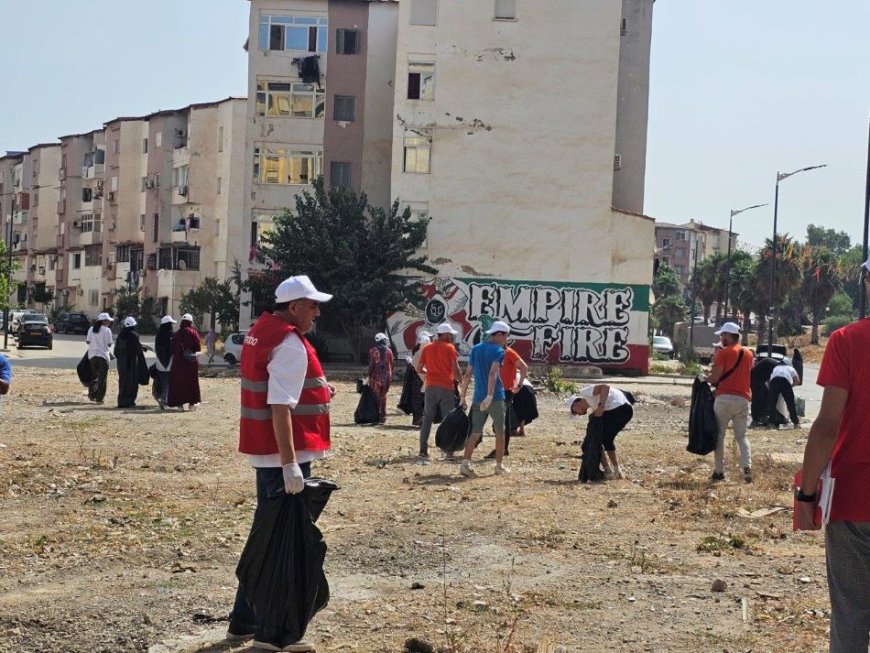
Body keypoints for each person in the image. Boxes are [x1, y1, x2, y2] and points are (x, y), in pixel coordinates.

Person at [228, 274, 334, 652]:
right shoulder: (289, 342)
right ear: (294, 307)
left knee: (267, 536)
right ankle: (272, 633)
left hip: (268, 452)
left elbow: (277, 386)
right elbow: (279, 405)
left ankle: (244, 620)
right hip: (284, 455)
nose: (317, 313)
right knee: (279, 544)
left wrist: (319, 388)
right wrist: (290, 465)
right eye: (312, 305)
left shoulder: (263, 330)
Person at [796, 259, 870, 652]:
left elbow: (826, 426)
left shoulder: (846, 341)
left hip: (854, 501)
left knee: (852, 616)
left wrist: (806, 496)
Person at [458, 320, 511, 477]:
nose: (506, 339)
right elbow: (493, 373)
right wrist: (490, 395)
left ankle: (465, 464)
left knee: (475, 432)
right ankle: (499, 466)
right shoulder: (499, 351)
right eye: (506, 336)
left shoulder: (476, 349)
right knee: (500, 432)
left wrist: (462, 396)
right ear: (500, 334)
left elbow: (467, 374)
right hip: (495, 397)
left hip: (477, 397)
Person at [703, 321, 754, 482]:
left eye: (723, 335)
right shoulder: (748, 354)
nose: (722, 338)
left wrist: (704, 379)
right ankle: (747, 467)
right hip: (743, 399)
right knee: (742, 436)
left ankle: (719, 471)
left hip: (724, 398)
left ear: (730, 335)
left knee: (720, 435)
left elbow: (716, 377)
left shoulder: (723, 353)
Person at [416, 323, 462, 462]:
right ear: (445, 334)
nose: (452, 336)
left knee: (427, 418)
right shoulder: (450, 348)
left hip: (430, 386)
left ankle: (423, 450)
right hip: (446, 387)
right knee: (447, 418)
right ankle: (448, 451)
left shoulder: (428, 348)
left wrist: (430, 373)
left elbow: (419, 368)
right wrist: (460, 381)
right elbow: (456, 368)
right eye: (450, 334)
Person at [567, 384, 633, 479]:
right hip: (626, 411)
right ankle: (615, 471)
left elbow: (605, 387)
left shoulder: (585, 393)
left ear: (575, 405)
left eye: (575, 412)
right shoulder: (594, 406)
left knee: (596, 439)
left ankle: (609, 470)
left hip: (618, 408)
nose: (577, 414)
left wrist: (601, 406)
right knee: (605, 440)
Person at [485, 344, 528, 459]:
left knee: (501, 420)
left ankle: (502, 448)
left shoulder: (509, 352)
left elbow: (524, 367)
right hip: (497, 390)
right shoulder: (495, 352)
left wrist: (519, 385)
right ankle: (503, 448)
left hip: (505, 391)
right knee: (503, 419)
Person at [167, 313, 201, 411]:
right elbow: (198, 348)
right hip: (190, 363)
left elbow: (171, 349)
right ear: (190, 322)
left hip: (178, 364)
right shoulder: (193, 333)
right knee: (191, 383)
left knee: (178, 383)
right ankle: (192, 404)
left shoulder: (176, 334)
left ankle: (179, 405)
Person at [114, 316, 148, 408]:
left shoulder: (120, 336)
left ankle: (121, 402)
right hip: (132, 364)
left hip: (121, 364)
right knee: (132, 383)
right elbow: (136, 350)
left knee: (123, 382)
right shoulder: (134, 335)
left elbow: (116, 351)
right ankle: (129, 402)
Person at [85, 313, 114, 404]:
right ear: (104, 321)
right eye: (108, 320)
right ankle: (99, 399)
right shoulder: (107, 330)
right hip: (103, 356)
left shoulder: (91, 329)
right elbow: (109, 344)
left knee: (94, 377)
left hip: (92, 356)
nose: (109, 322)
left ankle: (92, 395)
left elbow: (88, 341)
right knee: (102, 379)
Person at [367, 333, 394, 425]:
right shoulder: (389, 351)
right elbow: (391, 364)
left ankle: (376, 416)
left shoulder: (372, 351)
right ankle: (383, 417)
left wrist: (368, 374)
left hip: (376, 377)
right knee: (383, 396)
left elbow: (371, 364)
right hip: (387, 377)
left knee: (376, 396)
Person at [768, 358, 801, 429]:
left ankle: (773, 423)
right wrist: (790, 387)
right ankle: (796, 423)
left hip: (774, 382)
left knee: (772, 404)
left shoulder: (776, 367)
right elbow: (797, 381)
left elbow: (770, 379)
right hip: (785, 382)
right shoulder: (790, 368)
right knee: (790, 404)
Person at [408, 332, 431, 426]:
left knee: (417, 399)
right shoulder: (431, 352)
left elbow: (415, 366)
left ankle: (418, 420)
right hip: (427, 379)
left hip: (418, 378)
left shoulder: (418, 352)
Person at [153, 315, 175, 409]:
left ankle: (161, 397)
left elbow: (157, 349)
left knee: (162, 382)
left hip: (159, 363)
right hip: (169, 363)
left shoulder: (158, 335)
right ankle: (163, 399)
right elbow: (172, 349)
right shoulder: (171, 335)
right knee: (168, 383)